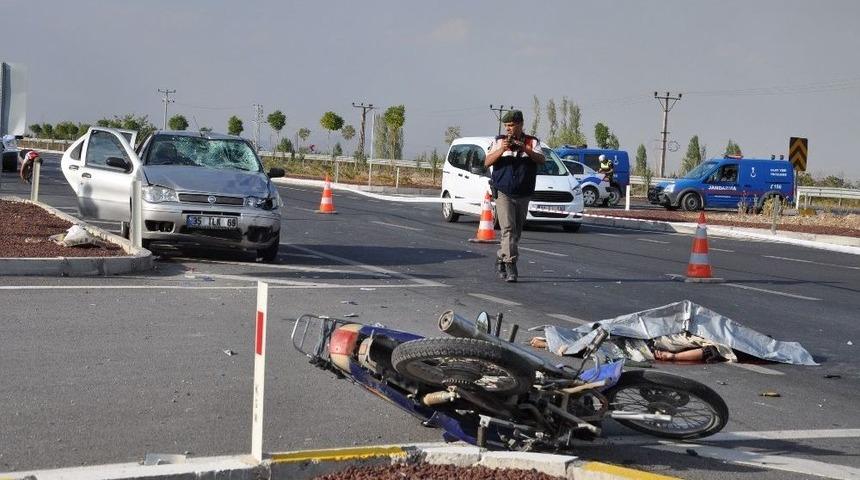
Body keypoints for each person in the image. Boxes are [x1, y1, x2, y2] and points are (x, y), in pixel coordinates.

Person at [484, 110, 545, 282]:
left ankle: (501, 257)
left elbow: (542, 160)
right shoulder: (498, 141)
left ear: (520, 124)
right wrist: (502, 150)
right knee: (508, 229)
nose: (508, 129)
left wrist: (524, 148)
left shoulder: (532, 142)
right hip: (503, 191)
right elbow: (487, 162)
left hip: (523, 192)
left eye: (511, 125)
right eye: (506, 126)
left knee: (516, 232)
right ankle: (511, 265)